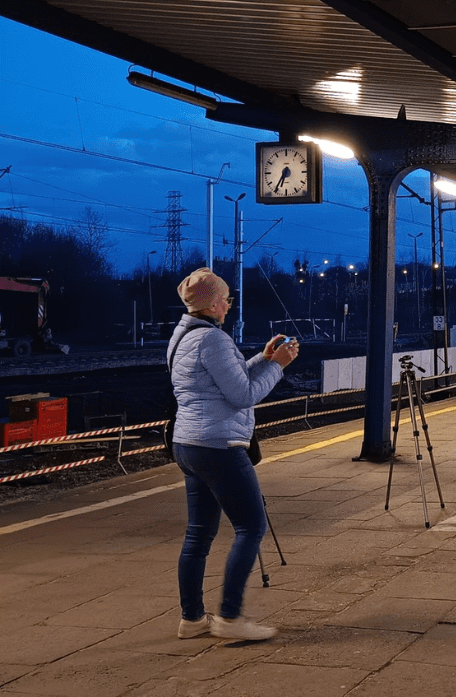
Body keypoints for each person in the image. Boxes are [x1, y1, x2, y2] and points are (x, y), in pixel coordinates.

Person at [169, 268, 299, 642]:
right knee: (251, 526)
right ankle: (229, 617)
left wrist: (263, 356)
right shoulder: (214, 340)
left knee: (198, 534)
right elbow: (243, 395)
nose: (229, 304)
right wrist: (279, 366)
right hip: (219, 446)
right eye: (225, 298)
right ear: (213, 304)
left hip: (189, 444)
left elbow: (230, 378)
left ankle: (192, 619)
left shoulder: (182, 336)